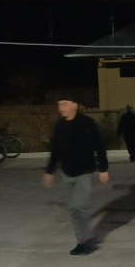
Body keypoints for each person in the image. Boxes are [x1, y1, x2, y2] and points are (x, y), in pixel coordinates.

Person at [42, 97, 110, 256]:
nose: (61, 108)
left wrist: (103, 169)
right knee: (73, 209)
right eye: (59, 104)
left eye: (64, 104)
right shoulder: (60, 125)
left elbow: (99, 146)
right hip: (67, 172)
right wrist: (50, 171)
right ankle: (81, 241)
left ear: (74, 105)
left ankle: (88, 240)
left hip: (85, 172)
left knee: (79, 206)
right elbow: (55, 150)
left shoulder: (87, 123)